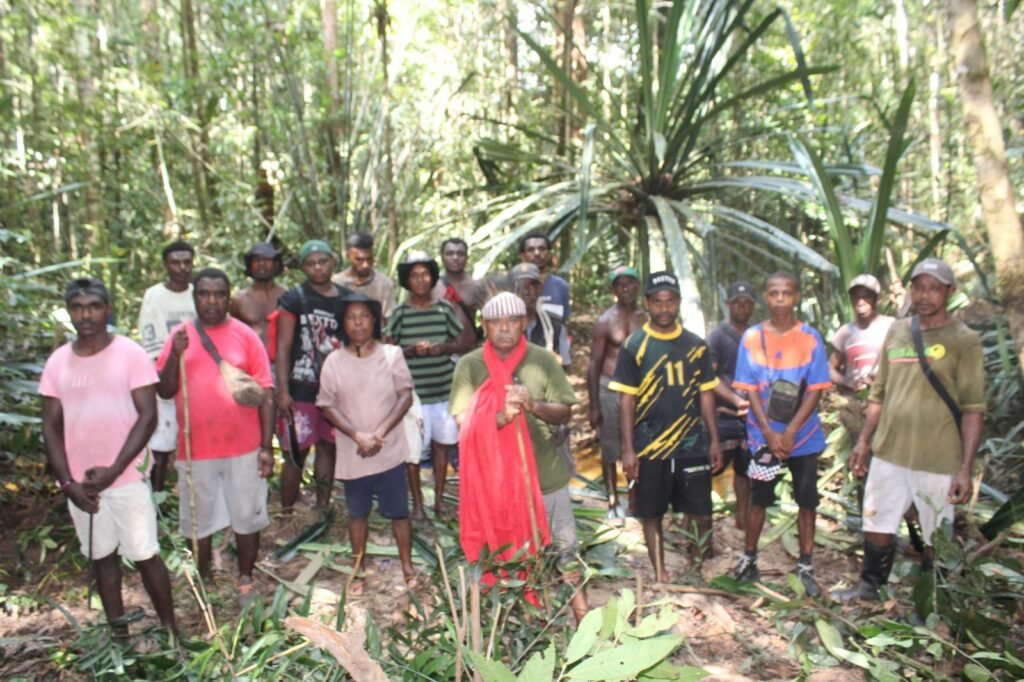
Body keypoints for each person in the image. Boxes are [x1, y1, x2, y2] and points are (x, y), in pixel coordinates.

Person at [836, 259, 984, 602]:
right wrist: (863, 441)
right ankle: (870, 586)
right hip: (889, 450)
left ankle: (931, 600)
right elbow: (879, 394)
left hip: (938, 457)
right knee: (877, 520)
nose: (925, 295)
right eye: (919, 287)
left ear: (950, 292)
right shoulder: (899, 331)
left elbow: (973, 409)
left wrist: (964, 467)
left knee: (936, 533)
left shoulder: (965, 340)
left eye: (934, 287)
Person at [41, 278, 177, 637]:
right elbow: (51, 428)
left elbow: (148, 416)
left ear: (108, 308)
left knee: (146, 554)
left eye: (94, 306)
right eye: (78, 307)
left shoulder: (129, 353)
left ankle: (170, 631)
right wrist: (68, 483)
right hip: (82, 485)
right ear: (69, 311)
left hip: (127, 476)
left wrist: (114, 469)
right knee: (102, 558)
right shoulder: (58, 363)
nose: (85, 314)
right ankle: (119, 638)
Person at [449, 292, 588, 622]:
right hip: (495, 485)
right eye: (496, 322)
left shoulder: (541, 360)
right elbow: (461, 423)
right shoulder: (470, 365)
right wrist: (499, 417)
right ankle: (514, 626)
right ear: (485, 327)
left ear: (524, 323)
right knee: (502, 556)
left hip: (545, 477)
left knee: (565, 553)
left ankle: (587, 627)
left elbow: (565, 412)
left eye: (512, 321)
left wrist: (533, 406)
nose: (505, 329)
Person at [612, 272, 744, 579]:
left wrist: (713, 440)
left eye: (670, 301)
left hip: (691, 444)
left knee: (701, 512)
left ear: (679, 303)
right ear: (647, 304)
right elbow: (627, 401)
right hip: (650, 445)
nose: (664, 308)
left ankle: (698, 569)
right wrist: (629, 449)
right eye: (657, 302)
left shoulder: (695, 345)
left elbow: (706, 394)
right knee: (651, 513)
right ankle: (660, 576)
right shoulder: (634, 346)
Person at [156, 269, 275, 594]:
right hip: (196, 448)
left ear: (228, 296)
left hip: (245, 447)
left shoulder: (245, 335)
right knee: (199, 519)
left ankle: (246, 576)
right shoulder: (179, 336)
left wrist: (266, 447)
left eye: (219, 294)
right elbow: (165, 391)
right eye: (204, 294)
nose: (212, 300)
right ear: (194, 297)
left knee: (247, 514)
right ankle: (205, 576)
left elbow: (266, 392)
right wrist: (175, 356)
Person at [727, 272, 832, 597]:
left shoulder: (810, 338)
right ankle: (749, 558)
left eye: (787, 293)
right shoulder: (753, 338)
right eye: (774, 293)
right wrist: (771, 435)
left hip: (803, 438)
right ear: (766, 298)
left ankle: (805, 564)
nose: (781, 299)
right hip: (764, 439)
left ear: (797, 296)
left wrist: (789, 432)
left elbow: (815, 391)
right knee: (758, 499)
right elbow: (751, 391)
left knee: (806, 500)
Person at [317, 294, 416, 586]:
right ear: (343, 323)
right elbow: (327, 405)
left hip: (389, 449)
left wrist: (380, 433)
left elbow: (405, 395)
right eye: (351, 317)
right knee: (357, 514)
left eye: (364, 316)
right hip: (354, 452)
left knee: (399, 513)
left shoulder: (392, 355)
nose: (358, 323)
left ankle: (408, 568)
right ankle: (358, 568)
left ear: (374, 320)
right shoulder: (334, 362)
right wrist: (357, 435)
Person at [387, 251, 474, 520]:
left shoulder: (443, 308)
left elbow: (463, 343)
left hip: (444, 393)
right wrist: (411, 351)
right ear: (406, 280)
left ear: (433, 277)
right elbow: (387, 351)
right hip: (413, 397)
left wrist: (442, 348)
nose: (420, 280)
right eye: (414, 275)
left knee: (442, 447)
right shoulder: (400, 313)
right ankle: (416, 505)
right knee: (413, 453)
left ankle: (438, 500)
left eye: (425, 274)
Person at [276, 240, 353, 512]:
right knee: (295, 453)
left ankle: (322, 506)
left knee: (328, 447)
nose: (318, 268)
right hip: (301, 388)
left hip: (334, 390)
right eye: (311, 263)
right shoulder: (294, 298)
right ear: (303, 267)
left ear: (333, 262)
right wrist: (283, 390)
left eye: (323, 261)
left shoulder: (347, 298)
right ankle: (286, 511)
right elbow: (283, 346)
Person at [587, 265, 647, 518]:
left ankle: (634, 500)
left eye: (630, 282)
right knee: (611, 447)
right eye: (620, 283)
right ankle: (613, 501)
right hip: (610, 387)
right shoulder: (605, 321)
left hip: (641, 390)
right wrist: (593, 405)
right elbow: (594, 364)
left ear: (637, 286)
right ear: (614, 289)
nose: (626, 288)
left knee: (637, 445)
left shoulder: (647, 319)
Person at [138, 240, 197, 492]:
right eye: (176, 262)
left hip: (198, 378)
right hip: (165, 376)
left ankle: (191, 498)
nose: (181, 268)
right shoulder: (154, 296)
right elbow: (151, 341)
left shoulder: (200, 292)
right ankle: (156, 500)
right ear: (166, 265)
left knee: (195, 443)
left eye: (186, 262)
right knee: (161, 444)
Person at [706, 281, 756, 530]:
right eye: (737, 302)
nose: (742, 307)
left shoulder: (758, 336)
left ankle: (742, 522)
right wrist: (736, 399)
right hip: (723, 415)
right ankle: (695, 523)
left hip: (752, 419)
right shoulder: (717, 336)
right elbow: (708, 378)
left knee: (744, 474)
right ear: (728, 304)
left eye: (747, 302)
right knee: (709, 470)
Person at [231, 242, 286, 358]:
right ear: (250, 266)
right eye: (256, 260)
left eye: (266, 260)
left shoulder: (287, 297)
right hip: (249, 363)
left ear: (275, 264)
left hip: (280, 363)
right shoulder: (239, 300)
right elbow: (232, 336)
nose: (261, 264)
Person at [512, 263, 570, 368]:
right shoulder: (500, 327)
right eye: (520, 285)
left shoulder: (555, 326)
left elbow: (563, 367)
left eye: (531, 285)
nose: (526, 291)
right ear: (512, 290)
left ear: (540, 288)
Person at [332, 231, 397, 320]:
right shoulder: (337, 283)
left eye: (369, 259)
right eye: (359, 260)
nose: (365, 265)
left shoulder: (384, 284)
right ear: (348, 256)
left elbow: (389, 320)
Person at [432, 237, 481, 338]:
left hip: (467, 350)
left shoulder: (476, 287)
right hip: (437, 349)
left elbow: (491, 318)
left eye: (460, 254)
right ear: (442, 257)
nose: (455, 257)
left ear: (467, 257)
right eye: (449, 253)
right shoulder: (431, 287)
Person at [519, 232, 570, 322]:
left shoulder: (561, 286)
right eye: (531, 250)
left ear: (549, 254)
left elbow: (563, 323)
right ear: (523, 256)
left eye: (542, 249)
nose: (537, 253)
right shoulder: (513, 285)